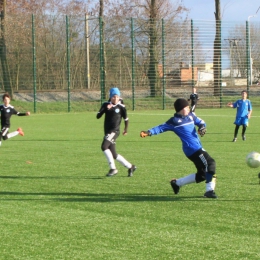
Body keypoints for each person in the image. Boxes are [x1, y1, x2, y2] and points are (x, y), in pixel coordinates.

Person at [140, 98, 217, 198]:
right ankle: (209, 191)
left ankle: (176, 183)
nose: (189, 108)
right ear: (181, 109)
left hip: (197, 147)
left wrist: (202, 127)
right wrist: (149, 132)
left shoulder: (191, 115)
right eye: (186, 107)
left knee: (202, 175)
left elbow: (201, 122)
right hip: (192, 149)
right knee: (210, 163)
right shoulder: (174, 121)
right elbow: (160, 127)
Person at [96, 87, 136, 177]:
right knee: (114, 154)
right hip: (107, 132)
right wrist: (106, 108)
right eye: (113, 97)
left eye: (117, 96)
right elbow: (98, 116)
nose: (115, 98)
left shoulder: (121, 107)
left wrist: (126, 129)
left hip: (115, 131)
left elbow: (126, 119)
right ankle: (131, 167)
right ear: (110, 97)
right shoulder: (105, 104)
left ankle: (113, 168)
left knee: (104, 146)